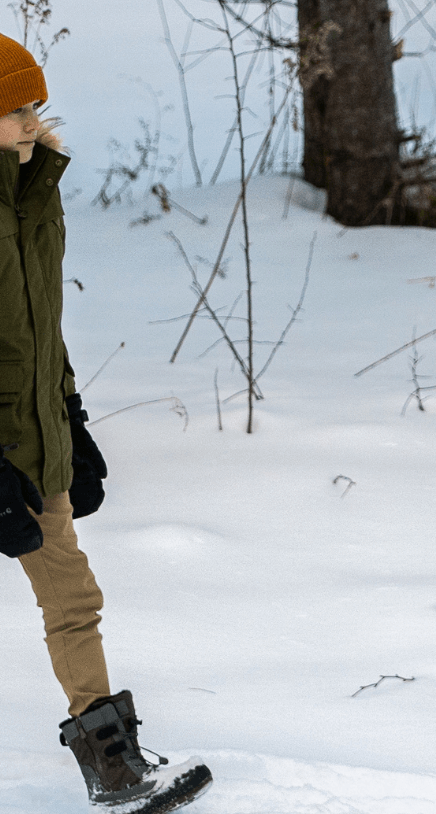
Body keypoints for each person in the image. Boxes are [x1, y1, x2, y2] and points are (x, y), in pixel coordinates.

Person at [0, 34, 212, 812]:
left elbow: (41, 329)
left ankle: (113, 767)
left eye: (35, 107)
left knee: (72, 597)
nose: (31, 121)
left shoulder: (36, 195)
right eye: (15, 108)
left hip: (34, 440)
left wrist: (72, 421)